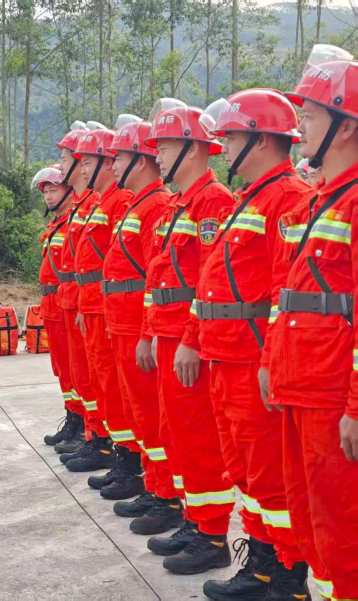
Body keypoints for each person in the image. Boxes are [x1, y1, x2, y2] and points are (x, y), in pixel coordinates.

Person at [189, 89, 313, 600]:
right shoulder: (250, 198)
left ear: (261, 140)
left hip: (252, 359)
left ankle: (288, 577)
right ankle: (262, 566)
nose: (224, 146)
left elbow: (287, 293)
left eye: (233, 136)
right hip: (226, 355)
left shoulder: (287, 198)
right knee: (247, 473)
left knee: (271, 477)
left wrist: (271, 361)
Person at [269, 45, 358, 601]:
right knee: (311, 522)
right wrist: (272, 367)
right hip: (302, 388)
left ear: (346, 126)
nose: (299, 124)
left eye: (310, 114)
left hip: (332, 397)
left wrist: (356, 406)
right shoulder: (321, 200)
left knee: (341, 530)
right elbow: (289, 299)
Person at [140, 99, 237, 576]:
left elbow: (210, 283)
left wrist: (192, 340)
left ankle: (213, 535)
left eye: (165, 146)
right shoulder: (180, 205)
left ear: (193, 148)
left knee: (198, 438)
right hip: (168, 334)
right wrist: (151, 332)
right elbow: (159, 277)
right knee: (177, 435)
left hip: (187, 340)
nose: (157, 155)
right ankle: (195, 519)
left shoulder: (214, 202)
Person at [102, 116, 182, 534]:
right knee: (141, 412)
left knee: (152, 415)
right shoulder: (139, 204)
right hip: (125, 322)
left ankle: (166, 495)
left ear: (141, 160)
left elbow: (156, 278)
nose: (114, 164)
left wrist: (147, 332)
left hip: (140, 325)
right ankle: (154, 486)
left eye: (120, 157)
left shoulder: (156, 207)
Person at [71, 130, 140, 488]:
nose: (81, 170)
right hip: (97, 306)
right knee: (104, 385)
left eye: (87, 162)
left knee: (117, 388)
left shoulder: (121, 201)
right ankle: (119, 454)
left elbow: (127, 264)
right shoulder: (103, 202)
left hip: (113, 307)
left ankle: (128, 461)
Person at [54, 126, 116, 470]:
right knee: (82, 375)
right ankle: (91, 434)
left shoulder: (101, 203)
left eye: (69, 159)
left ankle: (102, 442)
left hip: (97, 302)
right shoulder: (85, 205)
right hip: (79, 299)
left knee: (101, 379)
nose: (64, 165)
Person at [38, 164, 86, 449]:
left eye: (53, 190)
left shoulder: (74, 222)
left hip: (66, 300)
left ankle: (83, 427)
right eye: (45, 191)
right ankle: (72, 419)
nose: (48, 196)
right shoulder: (55, 224)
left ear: (69, 190)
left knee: (76, 368)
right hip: (52, 304)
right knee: (62, 369)